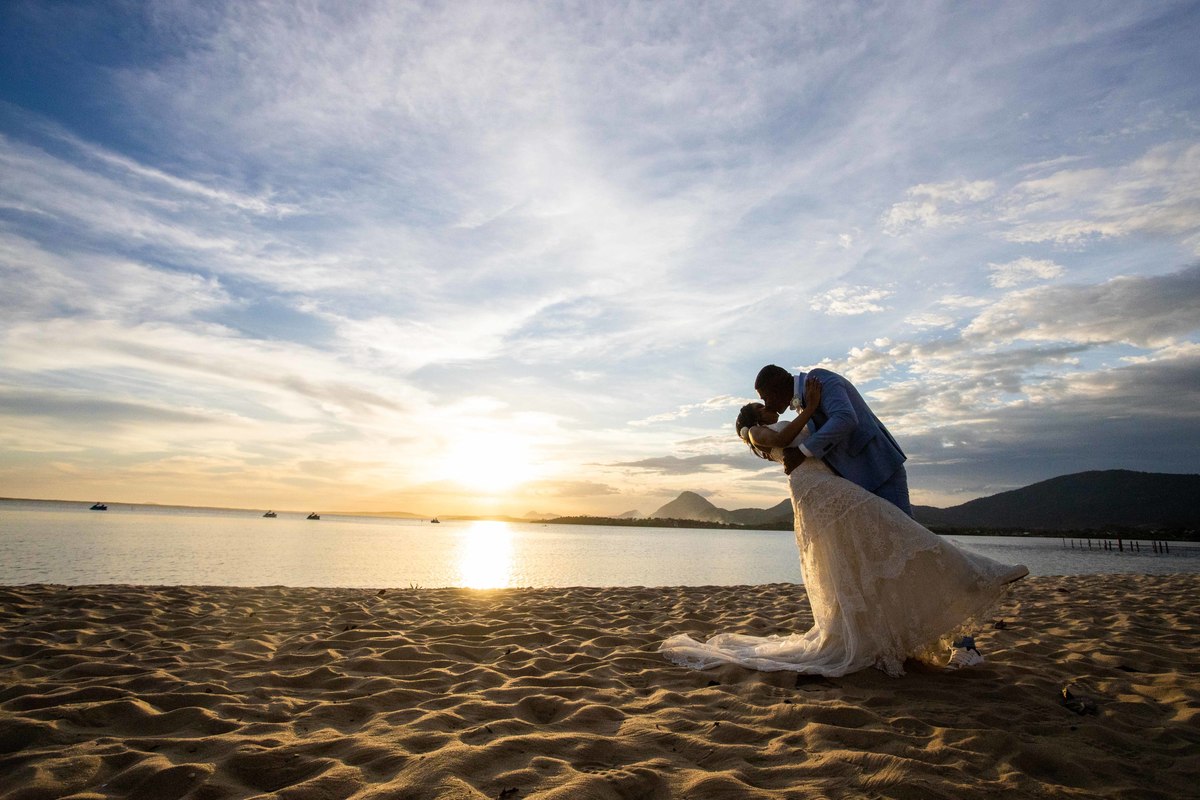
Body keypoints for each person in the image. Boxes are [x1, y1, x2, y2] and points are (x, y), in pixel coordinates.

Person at [658, 403, 1028, 677]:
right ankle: (977, 572)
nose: (768, 410)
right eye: (761, 407)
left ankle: (946, 589)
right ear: (751, 417)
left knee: (877, 539)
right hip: (818, 489)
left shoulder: (779, 423)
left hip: (825, 485)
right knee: (891, 528)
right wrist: (813, 409)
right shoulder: (753, 433)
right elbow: (784, 438)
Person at [755, 364, 912, 517]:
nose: (767, 404)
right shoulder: (805, 401)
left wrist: (802, 452)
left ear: (776, 389)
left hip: (879, 468)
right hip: (856, 482)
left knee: (906, 536)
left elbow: (845, 418)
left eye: (766, 398)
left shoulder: (818, 379)